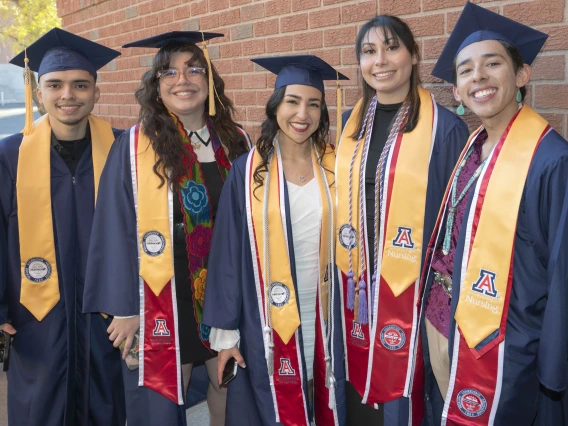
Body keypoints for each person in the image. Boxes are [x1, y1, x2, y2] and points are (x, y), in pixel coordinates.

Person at [83, 31, 251, 426]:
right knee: (165, 392)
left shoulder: (235, 140)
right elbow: (113, 229)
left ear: (209, 80)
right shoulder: (135, 146)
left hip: (224, 288)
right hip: (162, 292)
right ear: (156, 85)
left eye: (194, 69)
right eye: (169, 72)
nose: (183, 80)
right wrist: (125, 308)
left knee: (227, 384)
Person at [418, 3, 568, 425]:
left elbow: (560, 276)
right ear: (459, 91)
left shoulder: (551, 161)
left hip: (506, 345)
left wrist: (553, 368)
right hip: (444, 323)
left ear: (522, 76)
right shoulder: (472, 149)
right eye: (465, 70)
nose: (477, 77)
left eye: (492, 63)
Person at [335, 15, 470, 426]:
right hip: (357, 281)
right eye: (369, 51)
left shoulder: (444, 129)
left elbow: (456, 221)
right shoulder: (350, 126)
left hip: (413, 288)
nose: (381, 60)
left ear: (414, 55)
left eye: (392, 47)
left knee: (406, 393)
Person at [202, 55, 348, 426]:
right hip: (265, 313)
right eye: (292, 102)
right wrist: (226, 335)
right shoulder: (248, 171)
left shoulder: (338, 164)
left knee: (325, 388)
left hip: (327, 305)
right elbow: (228, 255)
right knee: (278, 401)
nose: (303, 114)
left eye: (313, 104)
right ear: (275, 106)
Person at [0, 28, 125, 426]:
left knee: (106, 405)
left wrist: (134, 304)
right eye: (55, 85)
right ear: (39, 93)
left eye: (80, 85)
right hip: (34, 316)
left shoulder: (124, 150)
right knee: (41, 408)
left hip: (107, 318)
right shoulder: (8, 155)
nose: (67, 95)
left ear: (96, 92)